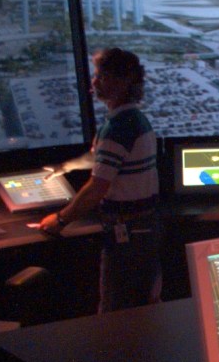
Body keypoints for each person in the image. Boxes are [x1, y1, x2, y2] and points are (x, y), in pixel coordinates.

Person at [37, 47, 162, 313]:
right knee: (143, 308)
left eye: (101, 76)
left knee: (115, 312)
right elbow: (101, 157)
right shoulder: (135, 120)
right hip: (143, 230)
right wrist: (66, 167)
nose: (94, 82)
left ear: (123, 81)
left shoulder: (117, 128)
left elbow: (97, 187)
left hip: (126, 235)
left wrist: (59, 220)